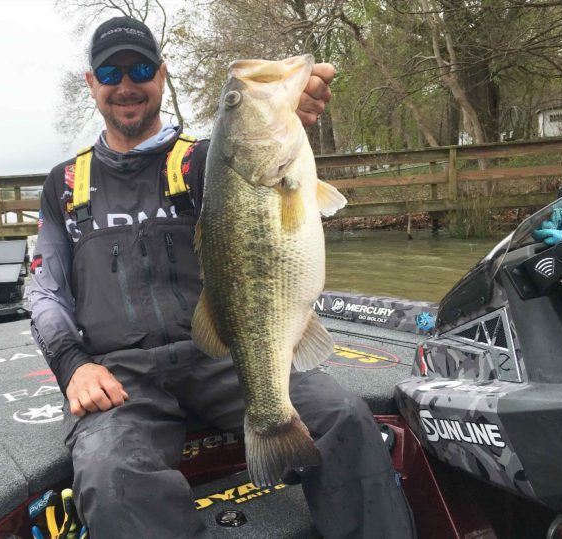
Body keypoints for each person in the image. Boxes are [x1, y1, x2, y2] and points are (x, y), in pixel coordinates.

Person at [30, 15, 415, 538]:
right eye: (110, 72)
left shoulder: (204, 162)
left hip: (224, 355)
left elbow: (257, 159)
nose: (126, 85)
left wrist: (292, 105)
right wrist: (73, 365)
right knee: (112, 476)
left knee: (344, 416)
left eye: (140, 68)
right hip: (121, 377)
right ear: (91, 83)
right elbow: (45, 291)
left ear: (162, 76)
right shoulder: (63, 186)